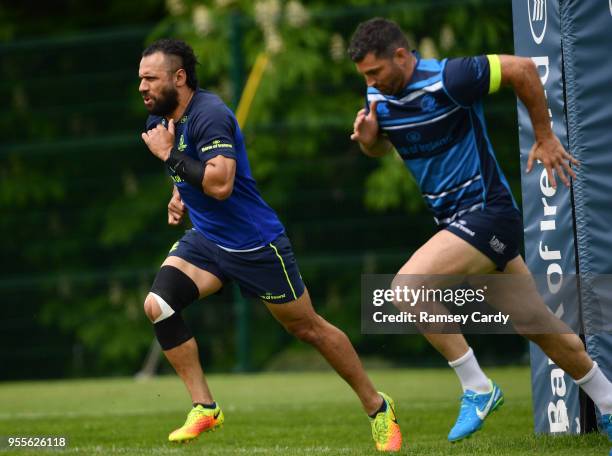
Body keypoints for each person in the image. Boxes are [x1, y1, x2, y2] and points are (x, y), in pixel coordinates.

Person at [348, 18, 612, 443]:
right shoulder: (379, 94)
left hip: (487, 213)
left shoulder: (450, 78)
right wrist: (369, 140)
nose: (371, 81)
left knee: (407, 290)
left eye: (375, 72)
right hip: (457, 224)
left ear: (401, 55)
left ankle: (478, 387)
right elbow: (382, 146)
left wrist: (544, 137)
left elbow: (522, 69)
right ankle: (609, 402)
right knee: (536, 324)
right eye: (365, 76)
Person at [138, 38, 402, 452]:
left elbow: (221, 185)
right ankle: (204, 406)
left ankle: (378, 406)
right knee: (158, 305)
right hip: (208, 241)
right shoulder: (159, 122)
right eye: (141, 79)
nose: (142, 87)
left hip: (255, 245)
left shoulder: (210, 114)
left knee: (308, 328)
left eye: (150, 78)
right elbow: (193, 175)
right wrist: (179, 195)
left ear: (179, 77)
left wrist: (171, 158)